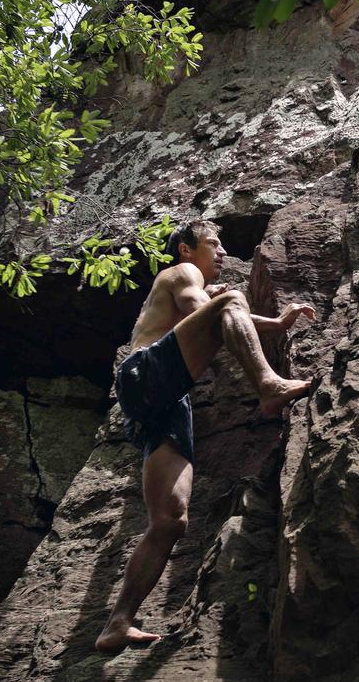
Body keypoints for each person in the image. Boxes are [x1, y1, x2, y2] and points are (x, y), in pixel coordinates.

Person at [95, 218, 313, 653]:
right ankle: (269, 386)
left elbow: (217, 313)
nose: (221, 253)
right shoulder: (180, 273)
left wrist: (273, 322)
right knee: (229, 297)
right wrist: (265, 319)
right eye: (213, 244)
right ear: (186, 250)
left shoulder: (192, 286)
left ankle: (117, 623)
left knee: (170, 521)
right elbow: (208, 309)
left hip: (164, 401)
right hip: (144, 374)